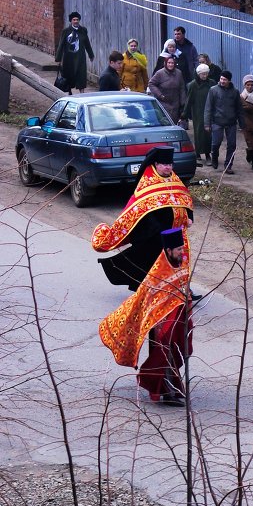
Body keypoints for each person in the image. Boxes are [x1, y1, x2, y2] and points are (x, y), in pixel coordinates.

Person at [98, 228, 193, 406]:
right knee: (164, 354)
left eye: (182, 248)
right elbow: (149, 299)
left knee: (173, 353)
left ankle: (172, 388)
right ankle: (164, 392)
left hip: (177, 320)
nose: (182, 252)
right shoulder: (159, 272)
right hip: (161, 324)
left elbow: (183, 291)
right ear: (169, 250)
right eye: (179, 249)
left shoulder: (180, 264)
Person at [92, 146, 194, 290]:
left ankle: (184, 290)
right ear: (156, 165)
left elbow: (185, 198)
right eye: (164, 165)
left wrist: (189, 217)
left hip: (176, 231)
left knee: (179, 260)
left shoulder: (174, 178)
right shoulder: (148, 182)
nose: (168, 168)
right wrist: (158, 230)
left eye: (170, 165)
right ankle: (152, 290)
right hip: (155, 234)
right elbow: (143, 210)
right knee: (153, 263)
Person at [204, 70, 242, 172]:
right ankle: (215, 158)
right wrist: (207, 123)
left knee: (232, 145)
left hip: (231, 122)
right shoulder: (213, 90)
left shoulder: (235, 92)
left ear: (229, 80)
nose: (222, 81)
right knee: (216, 143)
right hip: (217, 122)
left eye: (224, 79)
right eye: (221, 79)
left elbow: (239, 109)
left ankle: (228, 165)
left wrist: (242, 123)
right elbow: (208, 107)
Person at [183, 64, 219, 165]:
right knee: (199, 133)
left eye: (206, 74)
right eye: (203, 74)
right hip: (198, 111)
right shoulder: (193, 85)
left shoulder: (211, 83)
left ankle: (208, 154)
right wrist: (184, 114)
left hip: (210, 111)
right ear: (198, 74)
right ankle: (198, 153)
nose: (204, 76)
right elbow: (189, 100)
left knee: (209, 133)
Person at [54, 11, 94, 94]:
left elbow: (87, 43)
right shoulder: (66, 31)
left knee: (81, 75)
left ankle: (82, 93)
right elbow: (61, 44)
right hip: (69, 58)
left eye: (77, 19)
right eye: (74, 20)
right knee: (68, 75)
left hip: (80, 57)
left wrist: (91, 54)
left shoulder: (83, 30)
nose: (76, 21)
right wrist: (58, 58)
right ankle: (69, 92)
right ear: (71, 21)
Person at [148, 55, 186, 123]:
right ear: (165, 63)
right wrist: (160, 95)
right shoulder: (160, 73)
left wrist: (183, 102)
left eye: (172, 63)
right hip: (163, 101)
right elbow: (151, 84)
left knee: (174, 122)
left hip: (175, 102)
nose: (170, 65)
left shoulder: (178, 73)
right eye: (169, 63)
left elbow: (182, 88)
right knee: (164, 121)